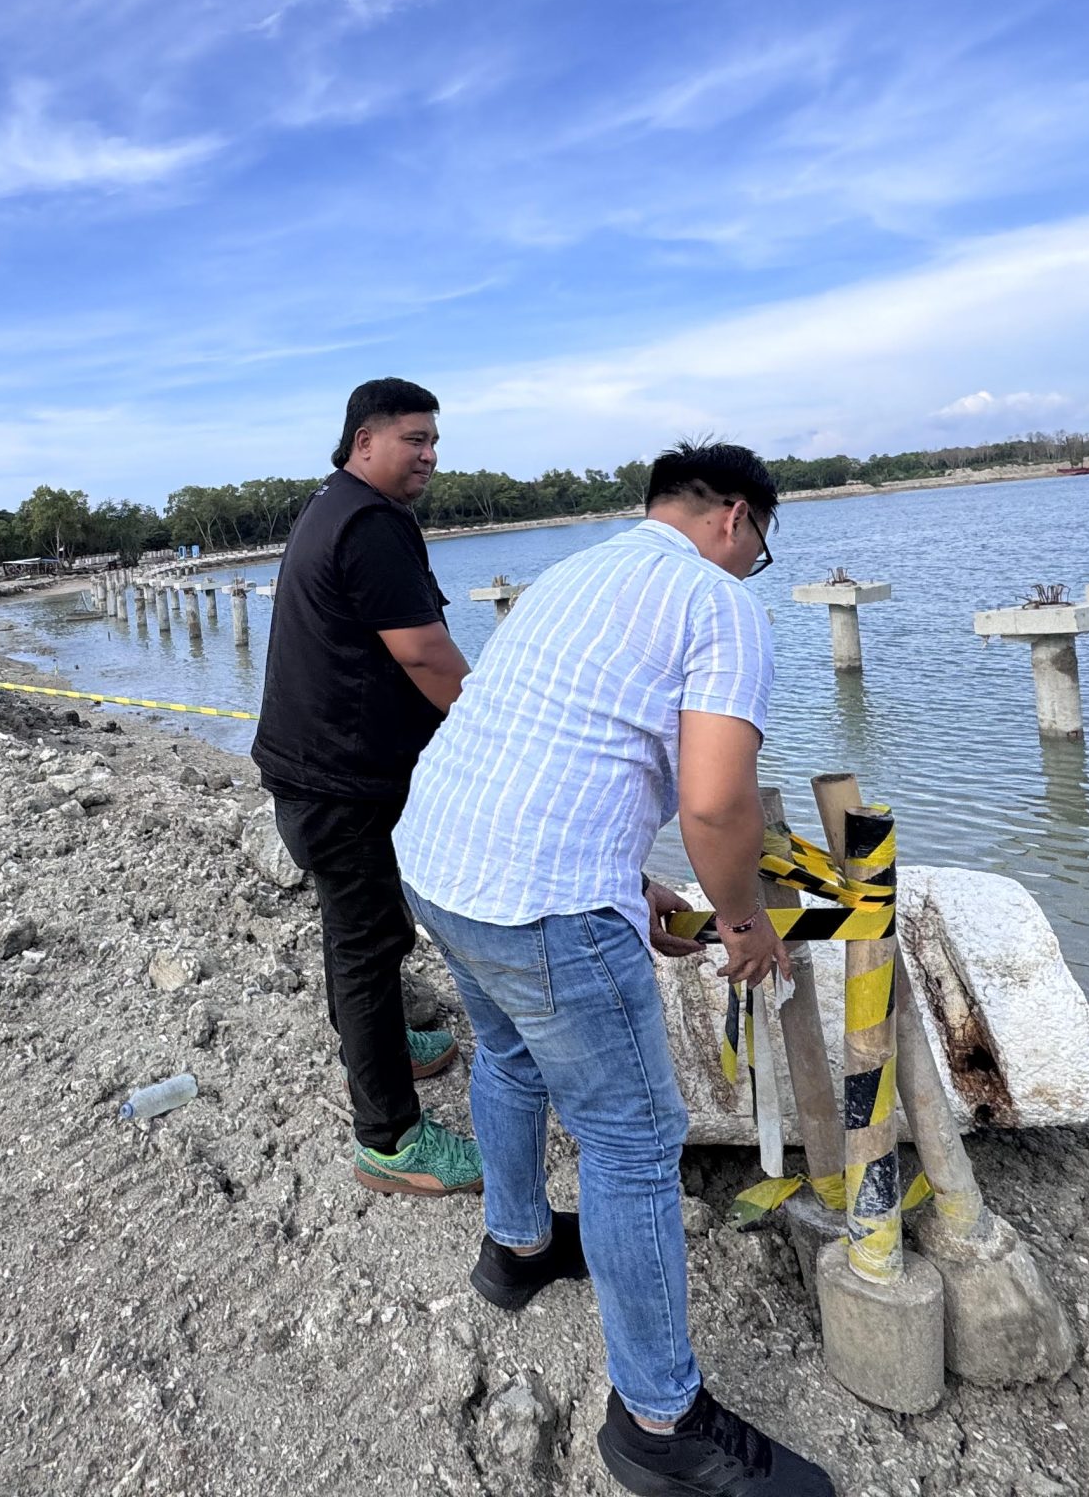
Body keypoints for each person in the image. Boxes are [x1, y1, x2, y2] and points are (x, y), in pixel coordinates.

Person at [396, 442, 830, 1496]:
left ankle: (517, 1247)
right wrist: (742, 926)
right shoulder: (718, 604)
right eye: (758, 547)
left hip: (437, 863)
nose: (750, 566)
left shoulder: (572, 575)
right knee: (635, 1142)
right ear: (736, 517)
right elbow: (717, 803)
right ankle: (657, 1420)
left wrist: (627, 879)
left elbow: (540, 741)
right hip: (538, 905)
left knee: (506, 1059)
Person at [250, 377, 479, 1197]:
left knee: (360, 929)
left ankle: (373, 1038)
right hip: (339, 782)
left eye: (434, 441)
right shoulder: (371, 524)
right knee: (368, 940)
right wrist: (492, 735)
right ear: (364, 442)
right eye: (414, 439)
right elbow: (423, 652)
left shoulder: (332, 507)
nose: (429, 455)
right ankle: (389, 1139)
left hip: (317, 769)